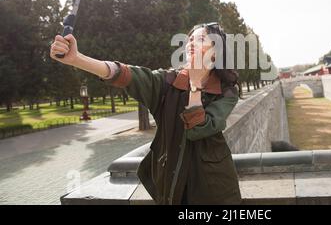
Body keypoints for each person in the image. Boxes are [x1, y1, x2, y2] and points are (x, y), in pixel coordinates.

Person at [49, 22, 242, 205]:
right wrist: (77, 59)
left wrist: (195, 87)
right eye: (190, 39)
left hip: (216, 187)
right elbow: (127, 74)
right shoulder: (167, 82)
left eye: (200, 39)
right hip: (172, 184)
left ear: (215, 53)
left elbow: (198, 129)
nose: (191, 43)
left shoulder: (227, 91)